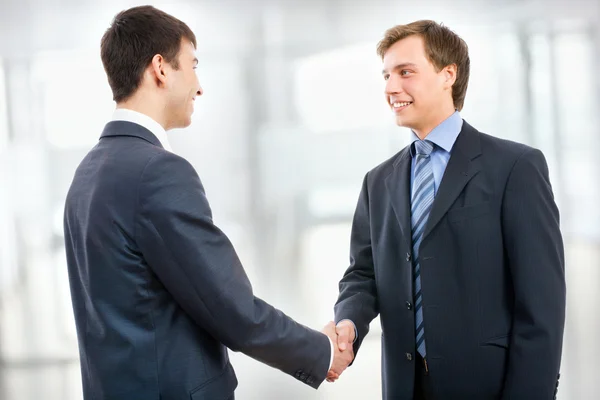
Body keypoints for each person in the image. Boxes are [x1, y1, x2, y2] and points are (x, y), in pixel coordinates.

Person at [63, 6, 352, 399]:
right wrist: (319, 351)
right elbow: (228, 306)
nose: (199, 86)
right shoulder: (157, 172)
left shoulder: (88, 171)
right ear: (160, 69)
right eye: (193, 65)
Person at [332, 20, 565, 399]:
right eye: (387, 75)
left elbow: (541, 307)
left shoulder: (514, 167)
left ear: (448, 74)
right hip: (405, 386)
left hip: (488, 386)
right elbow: (363, 274)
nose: (392, 87)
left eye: (405, 72)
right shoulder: (377, 182)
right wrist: (348, 323)